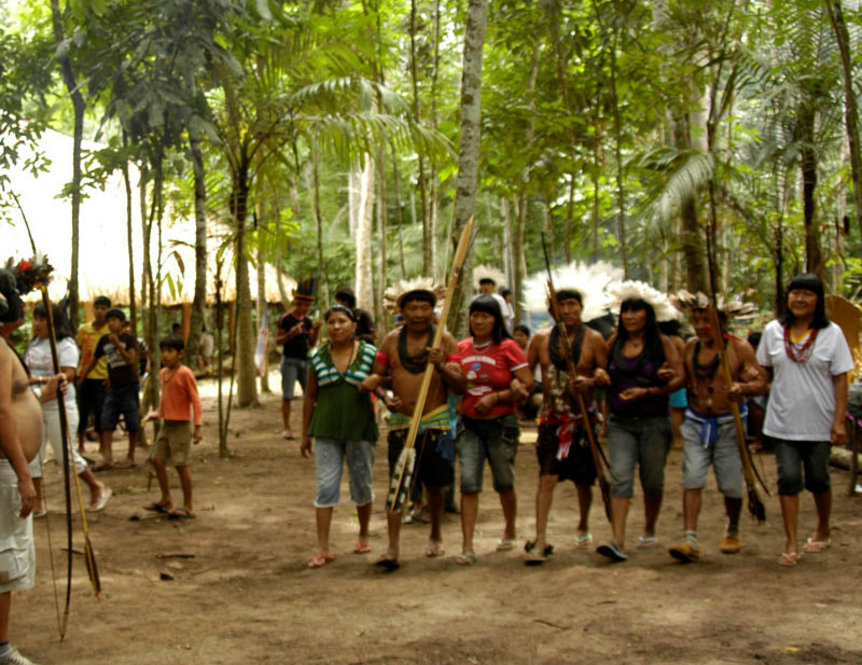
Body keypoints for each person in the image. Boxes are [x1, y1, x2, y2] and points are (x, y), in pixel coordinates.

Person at [360, 278, 463, 570]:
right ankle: (392, 547)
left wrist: (441, 364)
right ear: (402, 311)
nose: (419, 314)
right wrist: (385, 398)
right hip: (402, 423)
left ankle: (436, 533)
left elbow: (460, 386)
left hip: (436, 422)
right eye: (413, 308)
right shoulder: (391, 341)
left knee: (436, 486)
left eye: (424, 308)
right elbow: (379, 378)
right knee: (398, 483)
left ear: (433, 310)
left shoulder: (446, 339)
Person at [755, 273, 854, 566]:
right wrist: (746, 382)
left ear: (818, 300)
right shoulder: (773, 331)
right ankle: (791, 541)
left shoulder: (832, 333)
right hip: (783, 421)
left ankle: (823, 527)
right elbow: (762, 373)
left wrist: (839, 421)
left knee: (818, 478)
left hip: (819, 421)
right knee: (788, 478)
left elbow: (840, 379)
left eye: (807, 294)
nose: (800, 299)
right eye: (795, 293)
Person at [667, 297, 766, 562]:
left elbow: (760, 382)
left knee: (731, 485)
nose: (700, 326)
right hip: (696, 423)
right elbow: (681, 379)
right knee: (692, 478)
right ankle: (690, 539)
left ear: (722, 321)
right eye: (696, 320)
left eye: (707, 320)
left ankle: (732, 528)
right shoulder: (691, 347)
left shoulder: (739, 348)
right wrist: (664, 379)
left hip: (729, 425)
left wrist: (744, 386)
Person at [596, 283, 684, 562]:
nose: (630, 317)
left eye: (636, 311)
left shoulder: (663, 343)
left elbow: (681, 378)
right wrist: (600, 378)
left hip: (654, 421)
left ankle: (649, 528)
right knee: (620, 478)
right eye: (626, 312)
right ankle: (618, 539)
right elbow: (600, 370)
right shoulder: (613, 343)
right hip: (621, 422)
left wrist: (653, 389)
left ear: (649, 314)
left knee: (652, 480)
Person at [524, 288, 607, 564]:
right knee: (547, 477)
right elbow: (526, 373)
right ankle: (540, 538)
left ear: (582, 308)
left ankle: (583, 523)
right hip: (551, 420)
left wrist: (593, 380)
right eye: (561, 305)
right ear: (551, 310)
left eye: (573, 304)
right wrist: (519, 389)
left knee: (583, 480)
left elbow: (606, 374)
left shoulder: (594, 339)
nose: (567, 310)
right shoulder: (540, 339)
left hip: (583, 420)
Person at [455, 295, 534, 565]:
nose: (479, 321)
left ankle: (510, 529)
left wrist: (497, 398)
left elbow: (527, 384)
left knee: (503, 481)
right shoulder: (462, 347)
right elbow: (456, 383)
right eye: (475, 315)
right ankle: (467, 545)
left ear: (496, 320)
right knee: (469, 482)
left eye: (485, 316)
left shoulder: (508, 347)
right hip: (469, 424)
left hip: (501, 424)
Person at [301, 305, 378, 568]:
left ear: (354, 326)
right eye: (331, 322)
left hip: (360, 428)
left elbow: (384, 380)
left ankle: (364, 535)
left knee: (362, 483)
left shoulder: (369, 353)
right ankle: (323, 548)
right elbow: (310, 397)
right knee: (325, 487)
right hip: (326, 430)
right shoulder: (316, 357)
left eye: (342, 321)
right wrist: (305, 435)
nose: (336, 326)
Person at [24, 303, 111, 514]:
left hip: (59, 405)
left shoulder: (65, 344)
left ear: (54, 323)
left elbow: (68, 373)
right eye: (36, 319)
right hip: (34, 404)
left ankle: (96, 487)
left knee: (65, 454)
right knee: (33, 454)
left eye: (43, 320)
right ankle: (37, 502)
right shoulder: (33, 344)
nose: (37, 324)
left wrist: (40, 380)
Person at [0, 268, 40, 665]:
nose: (22, 307)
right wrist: (24, 475)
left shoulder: (3, 345)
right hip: (5, 467)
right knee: (3, 559)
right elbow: (1, 411)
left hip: (8, 464)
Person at [144, 333, 202, 520]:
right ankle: (166, 499)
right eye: (163, 351)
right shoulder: (163, 373)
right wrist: (158, 413)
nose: (165, 355)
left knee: (180, 464)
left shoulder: (185, 373)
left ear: (180, 353)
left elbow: (195, 401)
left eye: (170, 351)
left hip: (181, 427)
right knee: (157, 459)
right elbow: (166, 398)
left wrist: (198, 426)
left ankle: (188, 506)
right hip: (166, 425)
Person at [80, 308, 139, 470]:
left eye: (114, 320)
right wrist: (83, 376)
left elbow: (131, 360)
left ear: (122, 322)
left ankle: (130, 456)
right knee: (106, 419)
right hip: (113, 386)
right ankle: (107, 457)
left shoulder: (129, 338)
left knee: (131, 421)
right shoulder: (104, 340)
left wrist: (117, 345)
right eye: (109, 321)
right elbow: (94, 359)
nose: (111, 323)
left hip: (129, 385)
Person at [276, 287, 321, 440]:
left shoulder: (307, 321)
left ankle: (310, 427)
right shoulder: (286, 319)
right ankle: (287, 428)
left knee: (310, 395)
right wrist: (291, 334)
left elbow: (311, 343)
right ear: (296, 303)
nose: (306, 308)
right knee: (287, 396)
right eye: (304, 305)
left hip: (305, 361)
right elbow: (278, 341)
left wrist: (316, 330)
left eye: (308, 306)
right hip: (289, 361)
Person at [75, 295, 111, 455]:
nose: (100, 311)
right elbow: (79, 351)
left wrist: (110, 376)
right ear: (92, 309)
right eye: (97, 308)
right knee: (82, 411)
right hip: (83, 376)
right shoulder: (84, 330)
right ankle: (80, 445)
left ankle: (102, 446)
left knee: (100, 412)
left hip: (102, 377)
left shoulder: (110, 331)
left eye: (103, 308)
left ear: (108, 310)